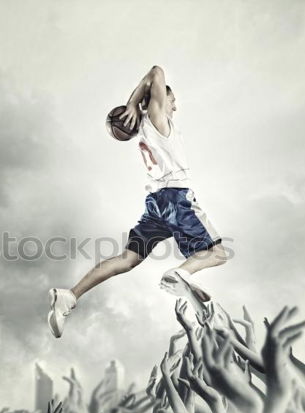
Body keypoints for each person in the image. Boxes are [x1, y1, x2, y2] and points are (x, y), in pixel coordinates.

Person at [48, 66, 227, 338]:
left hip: (155, 203)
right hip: (176, 197)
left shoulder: (144, 128)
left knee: (128, 259)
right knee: (216, 254)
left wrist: (134, 104)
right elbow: (156, 71)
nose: (175, 107)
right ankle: (181, 275)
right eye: (172, 100)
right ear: (158, 99)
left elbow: (149, 83)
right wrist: (134, 102)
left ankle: (70, 296)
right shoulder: (157, 120)